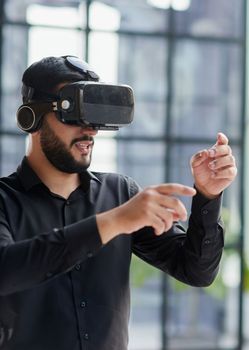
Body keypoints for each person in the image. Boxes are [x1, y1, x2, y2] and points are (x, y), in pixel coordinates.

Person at [0, 56, 237, 350]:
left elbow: (196, 271)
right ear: (31, 117)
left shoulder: (120, 193)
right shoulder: (4, 201)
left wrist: (209, 195)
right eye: (74, 114)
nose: (90, 130)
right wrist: (112, 222)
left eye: (94, 116)